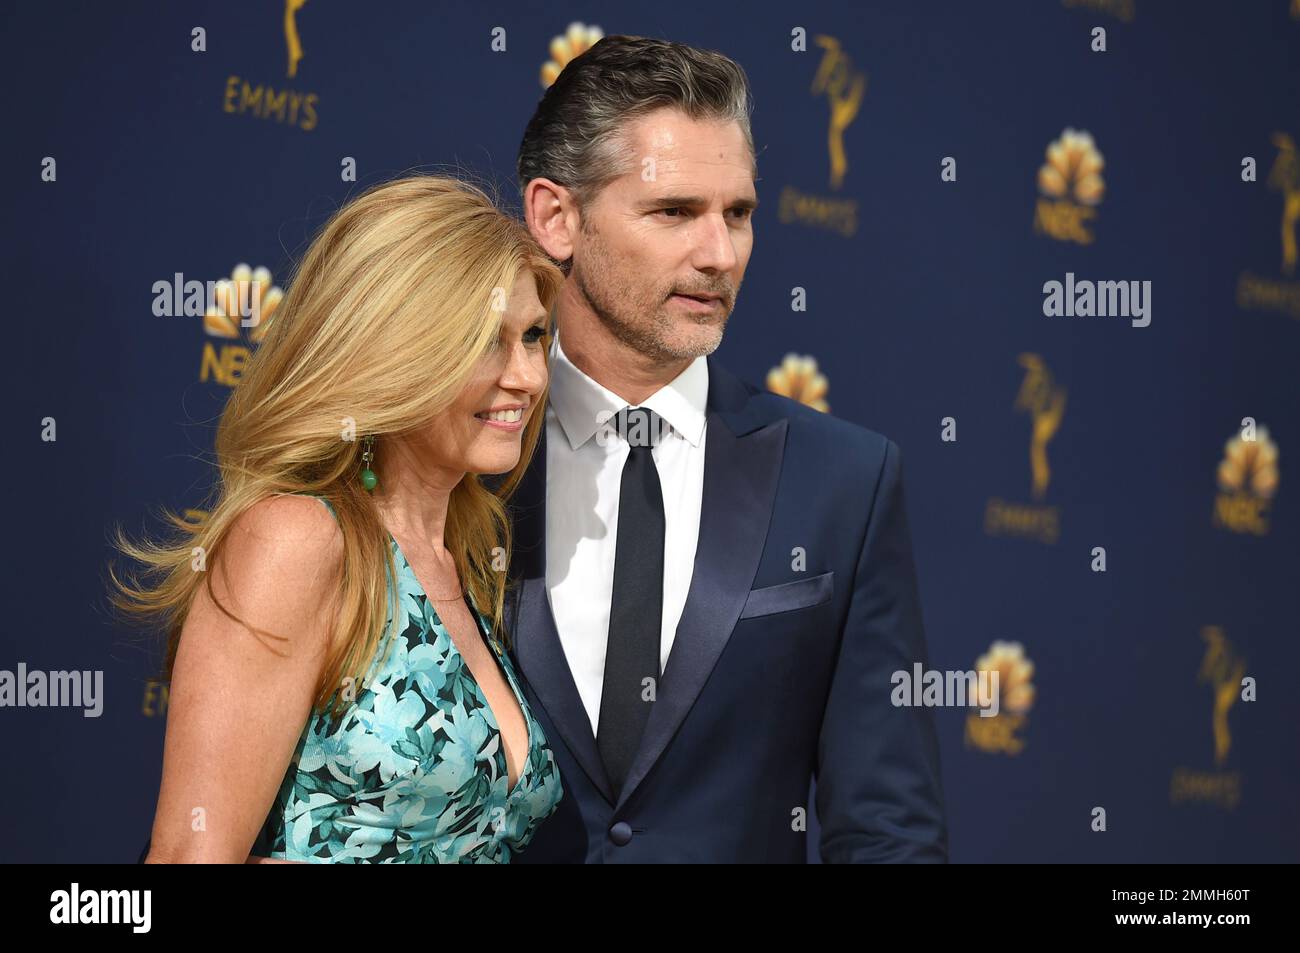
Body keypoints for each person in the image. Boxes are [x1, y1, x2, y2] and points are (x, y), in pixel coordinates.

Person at [506, 34, 949, 862]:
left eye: (738, 213)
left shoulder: (844, 480)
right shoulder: (457, 467)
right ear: (555, 217)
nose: (720, 255)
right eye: (674, 211)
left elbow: (889, 830)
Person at [113, 175, 566, 863]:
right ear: (390, 350)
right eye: (483, 340)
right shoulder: (296, 540)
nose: (529, 375)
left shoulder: (461, 558)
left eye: (533, 336)